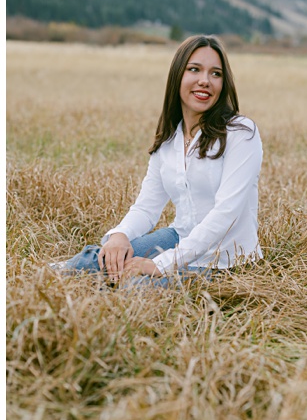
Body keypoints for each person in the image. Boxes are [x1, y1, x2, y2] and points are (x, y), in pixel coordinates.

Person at [52, 34, 263, 287]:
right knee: (93, 262)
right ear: (177, 77)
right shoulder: (169, 142)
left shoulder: (241, 132)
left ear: (224, 83)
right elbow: (146, 208)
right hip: (179, 237)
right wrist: (120, 235)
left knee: (139, 287)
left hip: (225, 258)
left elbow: (227, 213)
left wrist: (161, 264)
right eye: (194, 69)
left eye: (215, 74)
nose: (205, 81)